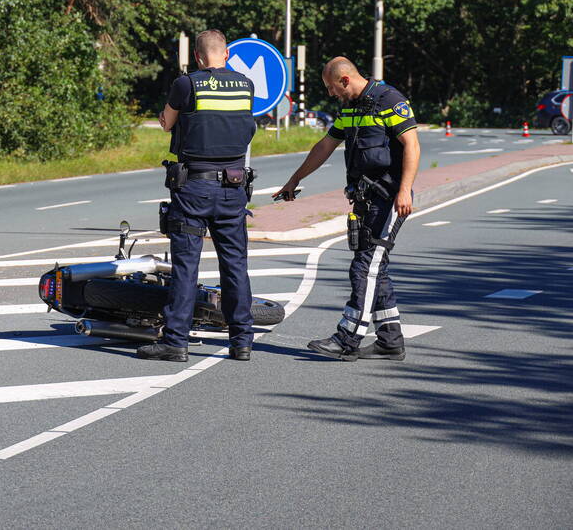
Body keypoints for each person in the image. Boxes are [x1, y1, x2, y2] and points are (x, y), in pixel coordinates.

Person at [274, 56, 420, 361]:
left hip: (389, 197)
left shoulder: (389, 100)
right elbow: (325, 146)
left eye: (331, 87)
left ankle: (347, 339)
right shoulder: (350, 107)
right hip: (365, 198)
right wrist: (294, 179)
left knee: (364, 267)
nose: (330, 94)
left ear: (345, 80)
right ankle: (390, 340)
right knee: (375, 267)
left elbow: (412, 145)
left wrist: (405, 190)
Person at [137, 29, 256, 362]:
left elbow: (166, 123)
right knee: (235, 265)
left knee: (187, 266)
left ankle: (176, 343)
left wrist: (167, 117)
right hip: (234, 188)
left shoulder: (186, 84)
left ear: (197, 57)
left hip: (194, 189)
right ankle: (242, 341)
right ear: (227, 54)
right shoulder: (246, 85)